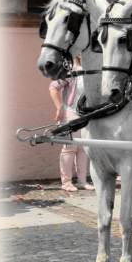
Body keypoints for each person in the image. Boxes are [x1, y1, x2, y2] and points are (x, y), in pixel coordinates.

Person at [49, 56, 93, 192]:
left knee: (84, 148)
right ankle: (66, 182)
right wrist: (59, 107)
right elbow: (53, 87)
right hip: (71, 112)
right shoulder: (71, 70)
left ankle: (82, 181)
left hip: (87, 114)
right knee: (69, 147)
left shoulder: (92, 71)